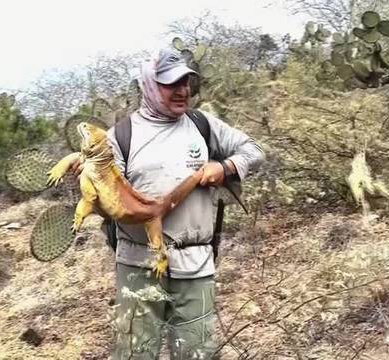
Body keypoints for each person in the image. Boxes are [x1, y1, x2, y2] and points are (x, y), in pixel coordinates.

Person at [71, 48, 265, 359]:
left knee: (196, 353)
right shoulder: (120, 135)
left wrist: (225, 167)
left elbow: (254, 151)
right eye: (170, 83)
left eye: (186, 82)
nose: (182, 90)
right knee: (136, 353)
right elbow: (110, 197)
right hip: (138, 266)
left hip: (196, 265)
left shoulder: (203, 125)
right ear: (147, 85)